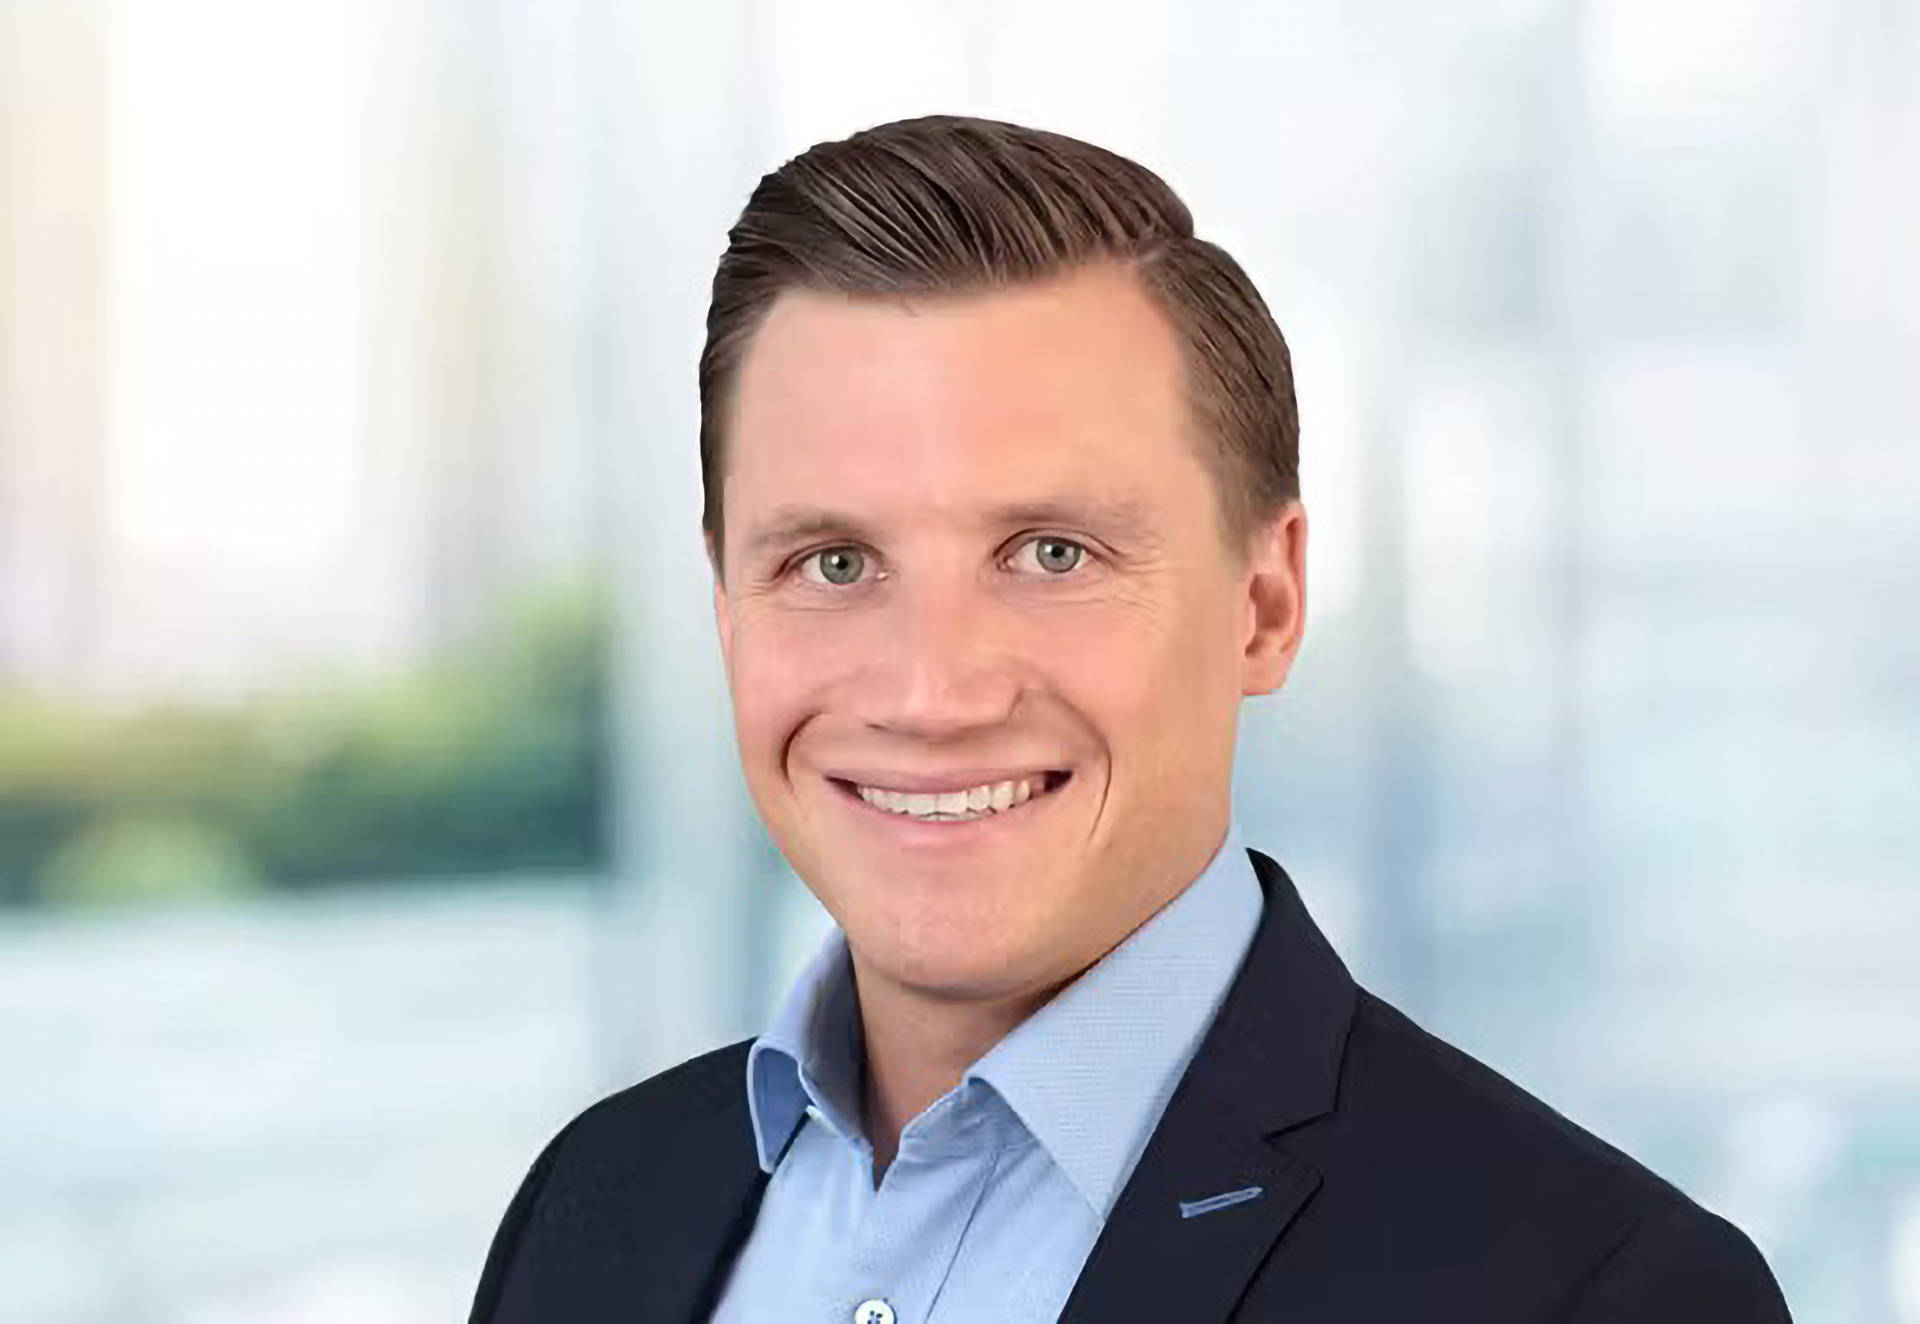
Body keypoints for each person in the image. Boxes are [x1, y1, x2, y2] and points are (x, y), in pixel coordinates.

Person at [467, 114, 1791, 1323]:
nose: (932, 693)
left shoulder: (1597, 1294)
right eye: (834, 562)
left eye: (1052, 554)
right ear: (725, 608)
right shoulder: (594, 1207)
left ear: (1264, 604)